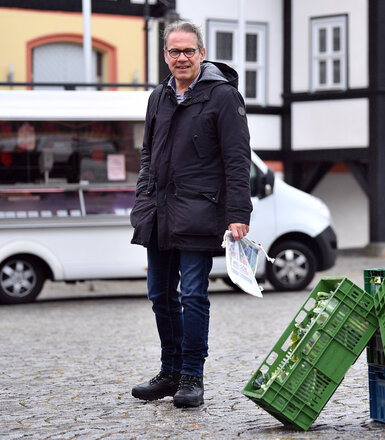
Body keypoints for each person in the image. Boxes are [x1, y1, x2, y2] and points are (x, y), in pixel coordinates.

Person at [129, 20, 252, 408]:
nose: (181, 58)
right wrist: (142, 198)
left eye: (188, 51)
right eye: (174, 51)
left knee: (193, 295)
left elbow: (237, 159)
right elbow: (148, 154)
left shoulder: (223, 96)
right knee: (160, 295)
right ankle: (169, 371)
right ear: (165, 56)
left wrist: (238, 212)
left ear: (201, 53)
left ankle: (191, 377)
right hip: (158, 212)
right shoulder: (158, 97)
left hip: (200, 209)